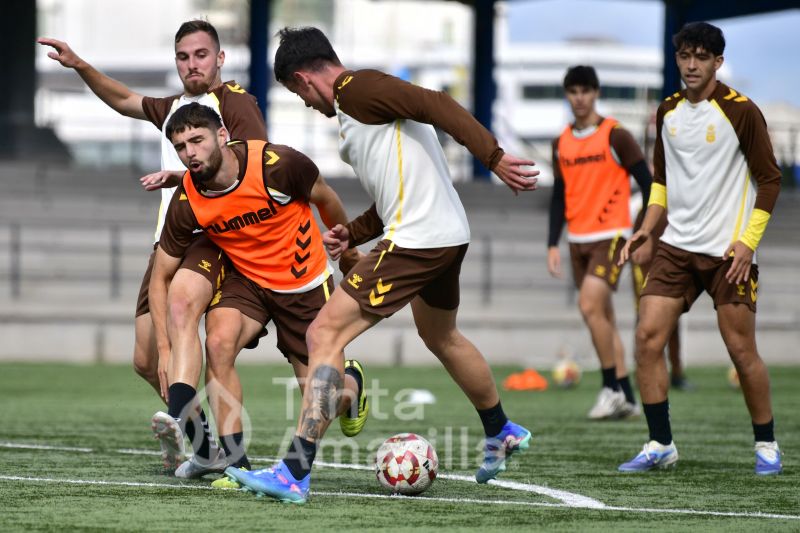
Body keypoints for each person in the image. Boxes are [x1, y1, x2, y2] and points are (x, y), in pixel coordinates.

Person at [223, 26, 538, 504]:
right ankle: (501, 429)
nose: (305, 103)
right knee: (441, 336)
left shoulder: (357, 88)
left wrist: (492, 157)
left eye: (296, 92)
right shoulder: (357, 114)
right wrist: (354, 231)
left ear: (306, 79)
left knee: (323, 335)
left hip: (418, 240)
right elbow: (397, 190)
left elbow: (436, 102)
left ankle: (293, 472)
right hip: (444, 235)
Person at [37, 20, 267, 474]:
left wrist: (181, 178)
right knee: (146, 359)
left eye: (201, 55)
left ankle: (224, 451)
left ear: (219, 58)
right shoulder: (174, 107)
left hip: (212, 237)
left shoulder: (236, 103)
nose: (191, 64)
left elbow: (249, 166)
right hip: (167, 239)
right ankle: (202, 447)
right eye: (183, 56)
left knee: (184, 321)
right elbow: (125, 100)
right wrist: (81, 65)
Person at [150, 102, 367, 481]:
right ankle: (236, 464)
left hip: (304, 286)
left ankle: (353, 387)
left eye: (197, 141)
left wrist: (348, 254)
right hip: (247, 282)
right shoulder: (188, 200)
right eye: (181, 147)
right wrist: (165, 349)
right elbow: (161, 274)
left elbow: (326, 198)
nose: (190, 153)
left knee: (325, 401)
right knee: (217, 343)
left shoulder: (278, 165)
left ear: (222, 136)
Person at [617, 22, 782, 475]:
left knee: (740, 350)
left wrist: (748, 243)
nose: (692, 65)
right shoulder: (666, 110)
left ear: (717, 62)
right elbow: (661, 182)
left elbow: (770, 180)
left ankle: (767, 444)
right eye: (685, 56)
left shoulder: (741, 111)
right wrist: (647, 230)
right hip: (675, 247)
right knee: (648, 337)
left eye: (701, 57)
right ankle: (660, 444)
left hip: (729, 254)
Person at [547, 66, 652, 419]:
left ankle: (609, 388)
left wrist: (645, 230)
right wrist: (552, 243)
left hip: (613, 234)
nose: (579, 98)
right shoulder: (560, 141)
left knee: (589, 307)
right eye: (573, 91)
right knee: (602, 317)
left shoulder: (615, 135)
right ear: (567, 95)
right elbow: (559, 196)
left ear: (596, 93)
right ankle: (627, 396)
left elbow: (650, 183)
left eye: (585, 91)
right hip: (577, 240)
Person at [630, 209, 692, 391]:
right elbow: (635, 243)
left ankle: (677, 372)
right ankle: (642, 370)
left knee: (673, 318)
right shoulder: (645, 210)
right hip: (645, 269)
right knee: (644, 318)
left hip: (668, 270)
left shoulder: (675, 209)